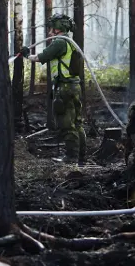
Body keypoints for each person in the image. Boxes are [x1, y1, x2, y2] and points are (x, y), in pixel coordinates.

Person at [21, 14, 86, 164]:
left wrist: (26, 55)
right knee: (77, 123)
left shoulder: (60, 43)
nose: (50, 31)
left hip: (65, 87)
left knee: (67, 124)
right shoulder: (69, 42)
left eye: (52, 28)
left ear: (59, 28)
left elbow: (40, 58)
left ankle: (71, 158)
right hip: (74, 86)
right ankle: (81, 158)